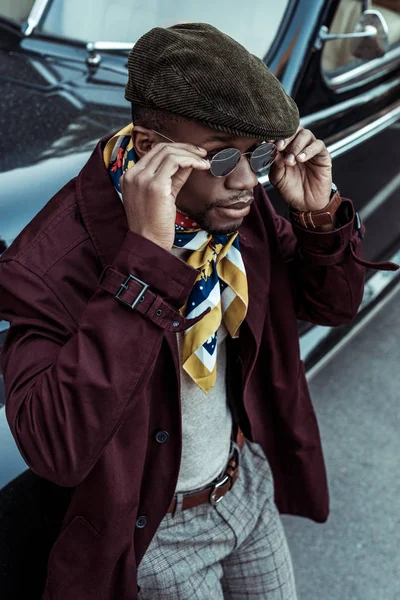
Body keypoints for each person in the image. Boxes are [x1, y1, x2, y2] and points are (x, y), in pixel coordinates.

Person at [0, 22, 397, 600]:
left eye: (255, 153)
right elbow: (55, 447)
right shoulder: (48, 262)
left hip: (245, 487)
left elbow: (333, 306)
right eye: (218, 161)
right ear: (146, 149)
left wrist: (318, 218)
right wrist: (144, 264)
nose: (245, 182)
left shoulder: (237, 210)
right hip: (155, 534)